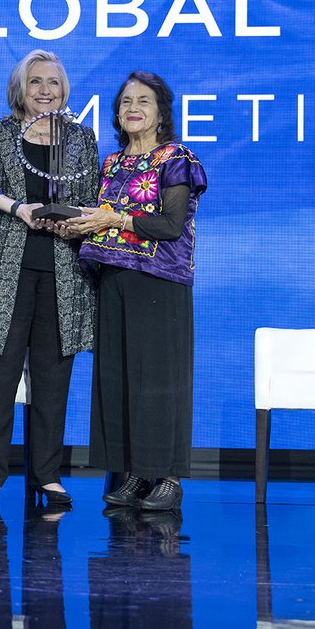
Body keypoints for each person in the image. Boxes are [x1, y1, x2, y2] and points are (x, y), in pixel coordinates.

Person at [62, 71, 208, 511]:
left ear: (161, 112)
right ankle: (133, 474)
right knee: (120, 379)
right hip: (114, 280)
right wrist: (77, 226)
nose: (133, 108)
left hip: (160, 281)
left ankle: (167, 478)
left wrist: (115, 219)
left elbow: (171, 224)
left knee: (160, 381)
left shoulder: (176, 158)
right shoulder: (110, 164)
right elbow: (101, 220)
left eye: (144, 101)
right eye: (126, 101)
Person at [0, 50, 100, 507]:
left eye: (53, 82)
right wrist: (18, 209)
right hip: (6, 265)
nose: (46, 90)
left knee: (53, 376)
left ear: (64, 90)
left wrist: (74, 220)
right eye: (36, 82)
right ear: (19, 90)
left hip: (64, 270)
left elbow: (92, 198)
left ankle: (46, 474)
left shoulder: (82, 138)